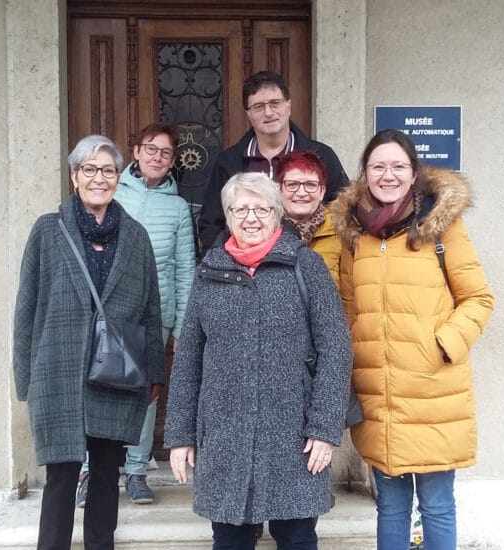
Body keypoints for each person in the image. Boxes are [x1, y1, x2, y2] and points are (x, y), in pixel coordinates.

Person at [164, 172, 353, 549]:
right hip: (223, 435)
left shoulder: (306, 266)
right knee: (230, 539)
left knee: (297, 537)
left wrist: (325, 429)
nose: (251, 218)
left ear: (277, 213)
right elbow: (188, 360)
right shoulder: (210, 272)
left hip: (293, 434)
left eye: (261, 209)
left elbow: (336, 349)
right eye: (240, 209)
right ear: (228, 216)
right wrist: (181, 436)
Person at [329, 128, 495, 550]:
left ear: (414, 171)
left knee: (437, 504)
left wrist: (442, 346)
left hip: (433, 392)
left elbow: (478, 298)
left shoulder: (441, 224)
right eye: (378, 166)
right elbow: (350, 305)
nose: (388, 175)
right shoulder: (354, 234)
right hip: (379, 393)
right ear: (364, 174)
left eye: (398, 166)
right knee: (391, 506)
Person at [13, 135, 165, 550]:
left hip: (114, 373)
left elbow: (152, 309)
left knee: (105, 473)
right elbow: (26, 306)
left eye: (108, 170)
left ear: (119, 177)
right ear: (74, 177)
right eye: (89, 169)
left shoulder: (135, 236)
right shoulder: (48, 230)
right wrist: (24, 376)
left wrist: (153, 374)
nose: (99, 178)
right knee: (61, 475)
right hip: (56, 368)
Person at [76, 123, 196, 507]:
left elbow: (184, 267)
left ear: (173, 160)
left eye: (165, 152)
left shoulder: (178, 208)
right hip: (106, 311)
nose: (157, 156)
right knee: (94, 388)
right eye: (150, 148)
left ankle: (138, 470)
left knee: (144, 396)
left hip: (154, 316)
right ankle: (90, 470)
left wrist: (181, 324)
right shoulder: (113, 193)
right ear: (136, 151)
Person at [197, 70, 349, 256]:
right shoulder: (229, 162)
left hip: (307, 264)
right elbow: (211, 223)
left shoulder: (320, 155)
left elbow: (345, 212)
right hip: (243, 272)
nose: (268, 112)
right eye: (258, 106)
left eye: (275, 103)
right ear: (248, 113)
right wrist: (218, 264)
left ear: (288, 106)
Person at [276, 149, 341, 289]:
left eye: (310, 185)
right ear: (279, 190)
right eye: (292, 185)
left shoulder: (341, 231)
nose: (301, 193)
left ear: (322, 191)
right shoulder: (265, 232)